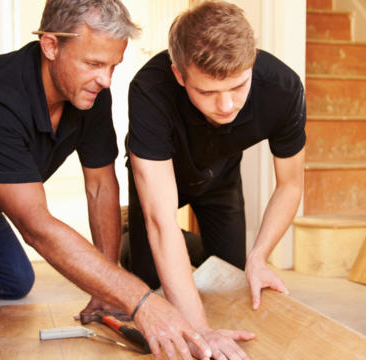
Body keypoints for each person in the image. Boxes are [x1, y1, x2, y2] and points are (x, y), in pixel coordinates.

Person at [0, 1, 214, 359]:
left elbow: (101, 186)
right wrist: (141, 301)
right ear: (51, 46)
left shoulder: (90, 94)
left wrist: (107, 285)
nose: (106, 79)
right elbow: (36, 227)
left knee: (16, 281)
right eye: (94, 64)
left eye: (113, 65)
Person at [125, 1, 306, 359]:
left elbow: (290, 184)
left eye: (238, 86)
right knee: (153, 289)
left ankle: (194, 247)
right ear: (179, 75)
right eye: (207, 92)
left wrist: (260, 256)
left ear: (251, 62)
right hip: (161, 180)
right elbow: (161, 222)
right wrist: (201, 332)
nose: (226, 105)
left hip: (220, 178)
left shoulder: (283, 89)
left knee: (228, 280)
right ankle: (129, 238)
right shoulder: (150, 89)